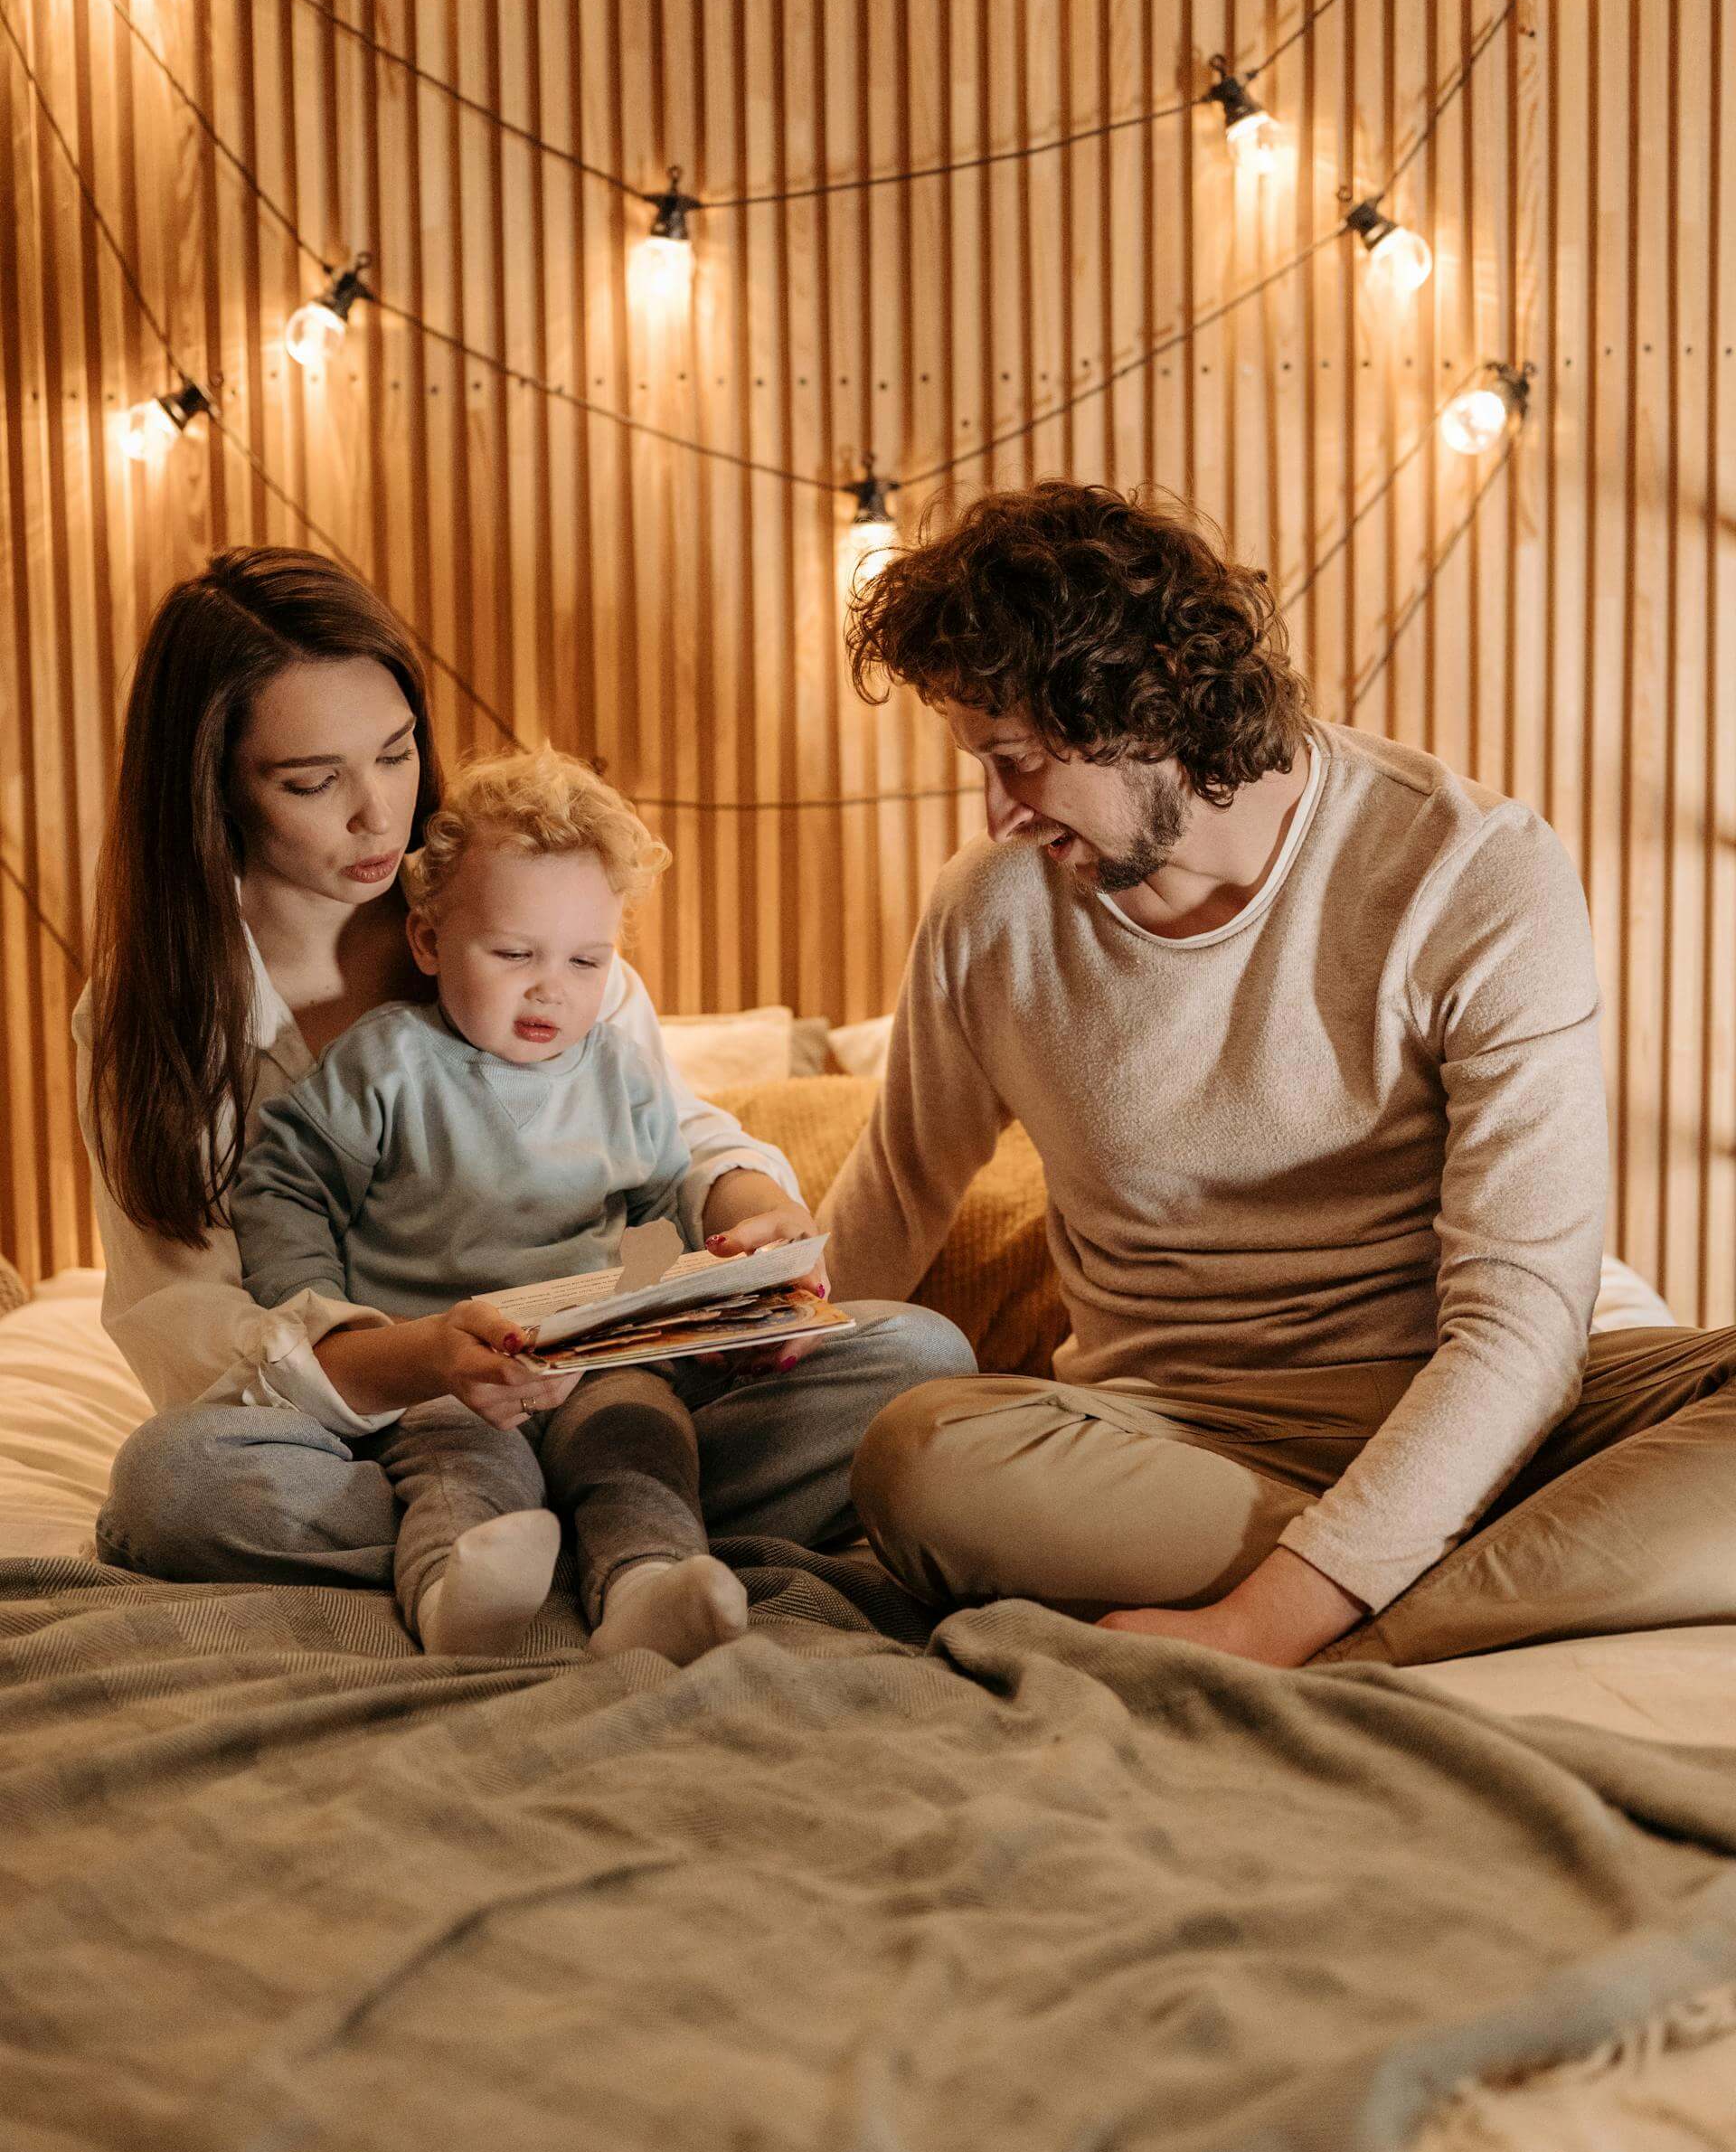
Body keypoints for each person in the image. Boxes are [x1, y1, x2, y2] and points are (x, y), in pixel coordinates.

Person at [819, 479, 1736, 1666]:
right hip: (1169, 1441)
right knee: (923, 1460)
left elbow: (1524, 1325)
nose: (996, 813)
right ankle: (1491, 1570)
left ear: (1152, 707)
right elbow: (890, 1205)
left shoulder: (1469, 874)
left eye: (1019, 762)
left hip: (1458, 1405)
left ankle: (1360, 1621)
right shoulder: (989, 918)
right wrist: (681, 1348)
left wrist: (1259, 1626)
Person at [77, 546, 974, 1619]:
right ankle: (594, 1533)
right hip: (369, 1434)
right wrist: (421, 1360)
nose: (380, 815)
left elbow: (677, 1139)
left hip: (610, 1389)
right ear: (214, 785)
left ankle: (560, 1531)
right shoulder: (153, 1017)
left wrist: (754, 1223)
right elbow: (182, 1322)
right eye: (314, 781)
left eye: (399, 752)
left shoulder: (528, 923)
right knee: (175, 1475)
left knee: (923, 1355)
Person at [230, 746, 772, 1665]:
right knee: (465, 1466)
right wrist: (335, 1324)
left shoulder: (622, 1071)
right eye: (514, 952)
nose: (549, 986)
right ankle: (457, 1594)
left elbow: (654, 1212)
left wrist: (637, 1304)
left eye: (585, 958)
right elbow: (285, 1186)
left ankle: (645, 1585)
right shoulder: (388, 1063)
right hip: (445, 1371)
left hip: (600, 1362)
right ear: (430, 941)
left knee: (641, 1444)